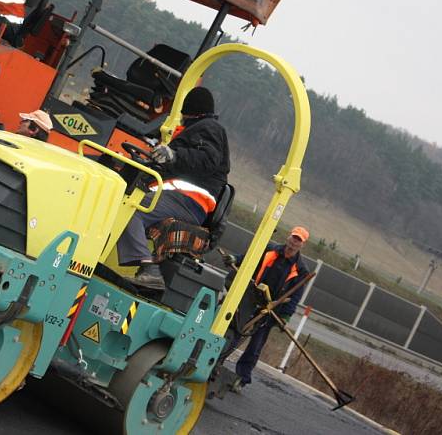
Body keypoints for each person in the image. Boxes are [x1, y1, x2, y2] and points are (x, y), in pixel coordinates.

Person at [116, 86, 230, 289]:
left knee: (132, 210)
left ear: (190, 107)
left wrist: (174, 155)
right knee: (119, 197)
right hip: (177, 197)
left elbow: (208, 159)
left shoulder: (209, 128)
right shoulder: (192, 129)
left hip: (190, 200)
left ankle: (149, 270)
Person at [225, 226, 311, 392]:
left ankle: (241, 378)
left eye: (298, 240)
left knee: (255, 345)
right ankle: (215, 362)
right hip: (252, 300)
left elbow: (295, 296)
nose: (294, 242)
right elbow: (250, 258)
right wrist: (235, 259)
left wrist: (286, 316)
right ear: (289, 237)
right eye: (294, 237)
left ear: (302, 245)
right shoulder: (270, 250)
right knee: (235, 332)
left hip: (271, 310)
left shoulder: (301, 270)